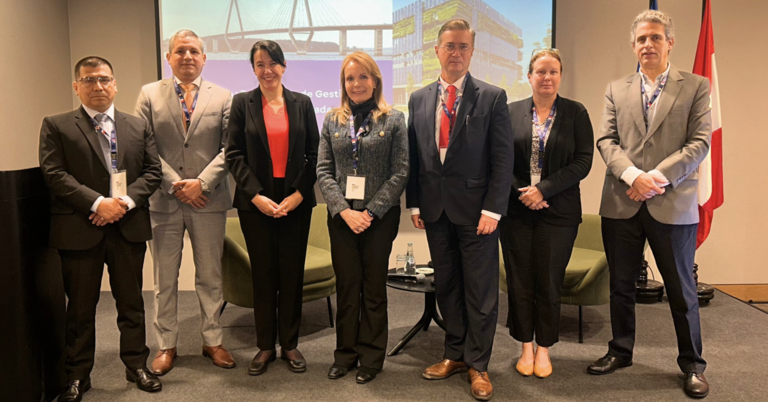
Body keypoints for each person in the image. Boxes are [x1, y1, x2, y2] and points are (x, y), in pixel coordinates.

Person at [587, 10, 711, 399]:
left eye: (655, 37)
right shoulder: (616, 88)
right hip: (621, 201)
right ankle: (620, 350)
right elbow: (606, 140)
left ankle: (692, 364)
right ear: (633, 45)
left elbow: (700, 142)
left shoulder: (696, 86)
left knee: (681, 290)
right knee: (621, 286)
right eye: (641, 39)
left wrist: (653, 178)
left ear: (669, 42)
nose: (648, 44)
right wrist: (631, 176)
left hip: (672, 202)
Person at [39, 56, 163, 402]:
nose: (98, 86)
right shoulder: (57, 125)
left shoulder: (137, 125)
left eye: (104, 79)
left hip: (128, 226)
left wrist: (122, 203)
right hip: (80, 228)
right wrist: (97, 203)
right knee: (80, 309)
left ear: (115, 84)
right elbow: (54, 173)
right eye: (89, 80)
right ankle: (77, 376)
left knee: (132, 303)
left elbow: (152, 172)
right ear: (76, 86)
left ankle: (136, 365)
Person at [406, 19, 513, 401]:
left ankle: (479, 365)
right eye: (449, 46)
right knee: (448, 286)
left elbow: (502, 159)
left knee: (480, 292)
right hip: (435, 210)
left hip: (477, 213)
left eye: (463, 46)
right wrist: (414, 202)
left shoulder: (492, 97)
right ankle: (454, 354)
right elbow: (415, 157)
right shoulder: (418, 99)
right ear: (436, 50)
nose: (456, 53)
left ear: (472, 51)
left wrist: (493, 210)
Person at [134, 29, 235, 375]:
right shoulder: (149, 94)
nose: (187, 56)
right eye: (180, 51)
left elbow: (230, 148)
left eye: (193, 51)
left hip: (209, 199)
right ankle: (167, 345)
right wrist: (177, 185)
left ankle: (213, 341)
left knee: (210, 276)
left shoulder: (224, 96)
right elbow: (143, 145)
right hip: (164, 201)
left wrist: (201, 183)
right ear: (169, 58)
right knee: (165, 280)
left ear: (204, 58)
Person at [226, 40, 319, 376]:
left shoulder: (302, 103)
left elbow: (314, 155)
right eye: (260, 64)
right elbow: (233, 155)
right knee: (264, 275)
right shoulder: (242, 103)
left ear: (284, 65)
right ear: (253, 69)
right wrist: (255, 196)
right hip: (256, 202)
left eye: (273, 63)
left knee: (291, 273)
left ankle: (290, 343)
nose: (267, 70)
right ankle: (266, 345)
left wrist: (298, 194)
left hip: (296, 200)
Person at [317, 51, 408, 384]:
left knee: (372, 288)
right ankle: (345, 354)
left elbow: (401, 172)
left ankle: (371, 357)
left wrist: (369, 212)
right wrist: (344, 211)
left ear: (375, 80)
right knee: (347, 286)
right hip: (341, 218)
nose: (356, 84)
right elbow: (323, 171)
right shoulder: (332, 120)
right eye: (350, 78)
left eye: (363, 77)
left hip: (379, 219)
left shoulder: (394, 119)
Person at [501, 49, 593, 379]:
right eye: (540, 71)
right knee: (520, 280)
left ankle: (544, 348)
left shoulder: (575, 113)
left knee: (549, 281)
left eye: (553, 71)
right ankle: (525, 346)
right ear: (529, 76)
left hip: (559, 213)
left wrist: (544, 189)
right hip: (516, 211)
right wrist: (524, 192)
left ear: (560, 76)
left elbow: (583, 161)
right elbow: (499, 160)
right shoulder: (510, 112)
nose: (547, 77)